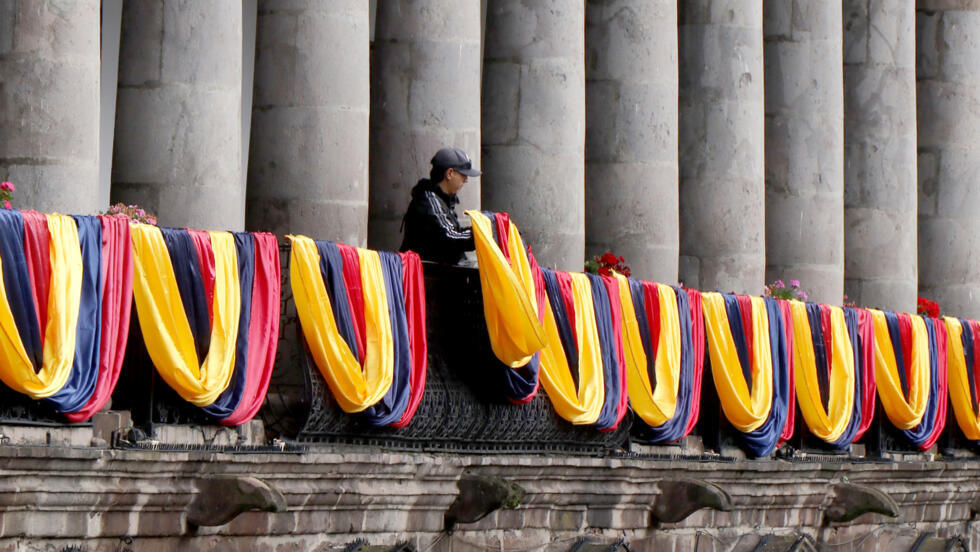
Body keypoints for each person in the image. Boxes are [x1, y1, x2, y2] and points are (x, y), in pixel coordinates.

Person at [399, 147, 481, 264]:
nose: (466, 180)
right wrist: (484, 232)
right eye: (463, 175)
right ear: (450, 173)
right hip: (425, 277)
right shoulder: (428, 200)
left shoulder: (441, 199)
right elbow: (451, 237)